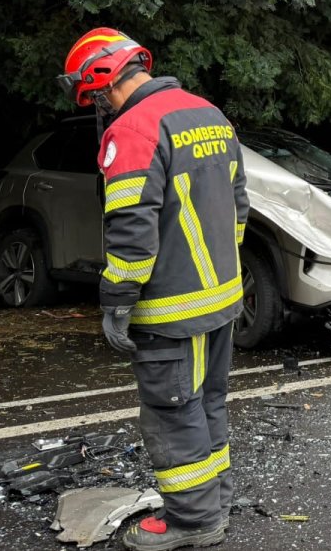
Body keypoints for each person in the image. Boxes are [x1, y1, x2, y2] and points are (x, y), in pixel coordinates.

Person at [58, 28, 248, 550]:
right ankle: (214, 502)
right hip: (221, 298)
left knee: (172, 411)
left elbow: (132, 228)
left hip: (170, 307)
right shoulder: (209, 114)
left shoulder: (134, 129)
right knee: (207, 403)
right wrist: (219, 272)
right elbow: (239, 207)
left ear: (102, 82)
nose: (99, 109)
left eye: (94, 98)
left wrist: (117, 298)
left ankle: (193, 520)